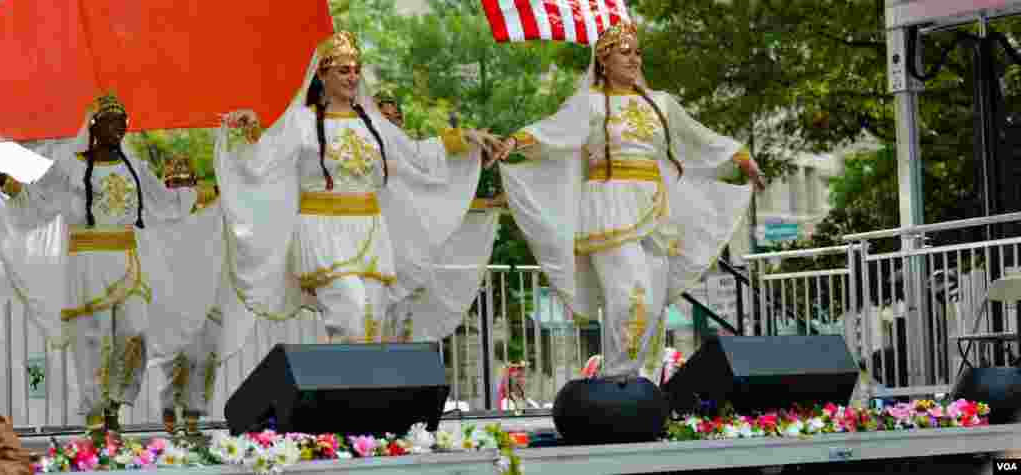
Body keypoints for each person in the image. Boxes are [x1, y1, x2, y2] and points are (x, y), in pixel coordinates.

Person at [493, 22, 764, 379]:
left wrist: (741, 158)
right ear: (604, 61)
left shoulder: (661, 103)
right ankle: (617, 379)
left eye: (637, 53)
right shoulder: (590, 103)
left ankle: (633, 381)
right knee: (632, 294)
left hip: (655, 206)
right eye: (625, 52)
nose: (635, 59)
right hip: (610, 205)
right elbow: (553, 130)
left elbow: (699, 138)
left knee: (653, 302)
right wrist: (515, 142)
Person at [214, 31, 500, 354]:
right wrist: (250, 129)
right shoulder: (301, 122)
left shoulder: (372, 122)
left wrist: (465, 138)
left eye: (355, 70)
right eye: (343, 70)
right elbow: (262, 162)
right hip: (323, 232)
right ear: (322, 75)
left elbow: (416, 154)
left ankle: (353, 387)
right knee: (350, 315)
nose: (352, 77)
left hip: (370, 232)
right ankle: (343, 385)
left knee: (373, 321)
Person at [0, 94, 224, 436]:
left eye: (123, 122)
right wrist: (7, 183)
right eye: (111, 122)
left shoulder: (134, 166)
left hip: (128, 261)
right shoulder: (70, 165)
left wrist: (215, 191)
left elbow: (164, 202)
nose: (119, 128)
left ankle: (115, 402)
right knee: (93, 339)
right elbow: (39, 201)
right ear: (94, 126)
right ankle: (95, 418)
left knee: (136, 332)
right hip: (87, 263)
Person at [373, 91, 502, 343]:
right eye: (384, 118)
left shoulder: (408, 158)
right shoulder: (355, 148)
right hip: (361, 247)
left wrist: (467, 139)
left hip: (403, 258)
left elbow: (437, 195)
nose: (391, 124)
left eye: (396, 118)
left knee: (401, 331)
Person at [156, 156, 223, 437]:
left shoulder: (209, 213)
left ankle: (193, 415)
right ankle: (169, 404)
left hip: (205, 290)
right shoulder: (156, 217)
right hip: (171, 295)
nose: (181, 189)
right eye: (174, 184)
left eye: (186, 183)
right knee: (177, 356)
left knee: (203, 355)